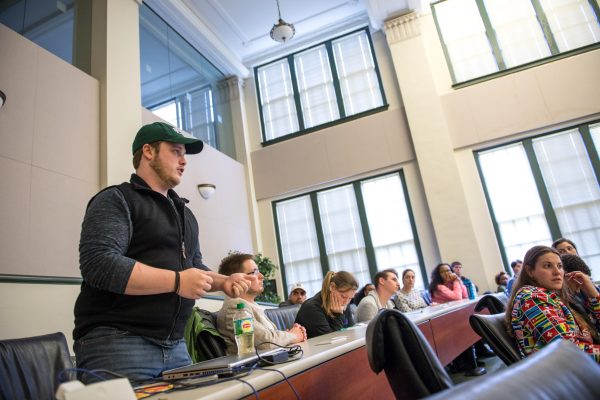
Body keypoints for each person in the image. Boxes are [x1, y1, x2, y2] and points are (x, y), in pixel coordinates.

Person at [73, 122, 255, 382]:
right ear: (148, 151)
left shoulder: (185, 214)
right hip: (118, 344)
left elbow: (195, 267)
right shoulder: (117, 199)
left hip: (176, 347)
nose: (184, 161)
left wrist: (223, 282)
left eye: (184, 155)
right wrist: (178, 281)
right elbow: (100, 264)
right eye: (176, 152)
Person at [507, 245, 600, 363]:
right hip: (570, 373)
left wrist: (592, 294)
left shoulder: (551, 295)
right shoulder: (532, 298)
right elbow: (569, 351)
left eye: (560, 266)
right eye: (547, 266)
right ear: (530, 271)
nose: (557, 272)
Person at [216, 253, 306, 354]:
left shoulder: (252, 305)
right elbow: (267, 343)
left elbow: (270, 337)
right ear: (237, 280)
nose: (261, 276)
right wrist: (294, 335)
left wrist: (288, 334)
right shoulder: (235, 307)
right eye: (254, 272)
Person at [295, 271, 358, 338]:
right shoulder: (312, 308)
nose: (346, 302)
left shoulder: (344, 302)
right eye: (343, 296)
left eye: (350, 298)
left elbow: (351, 331)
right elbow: (331, 340)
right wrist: (337, 315)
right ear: (332, 287)